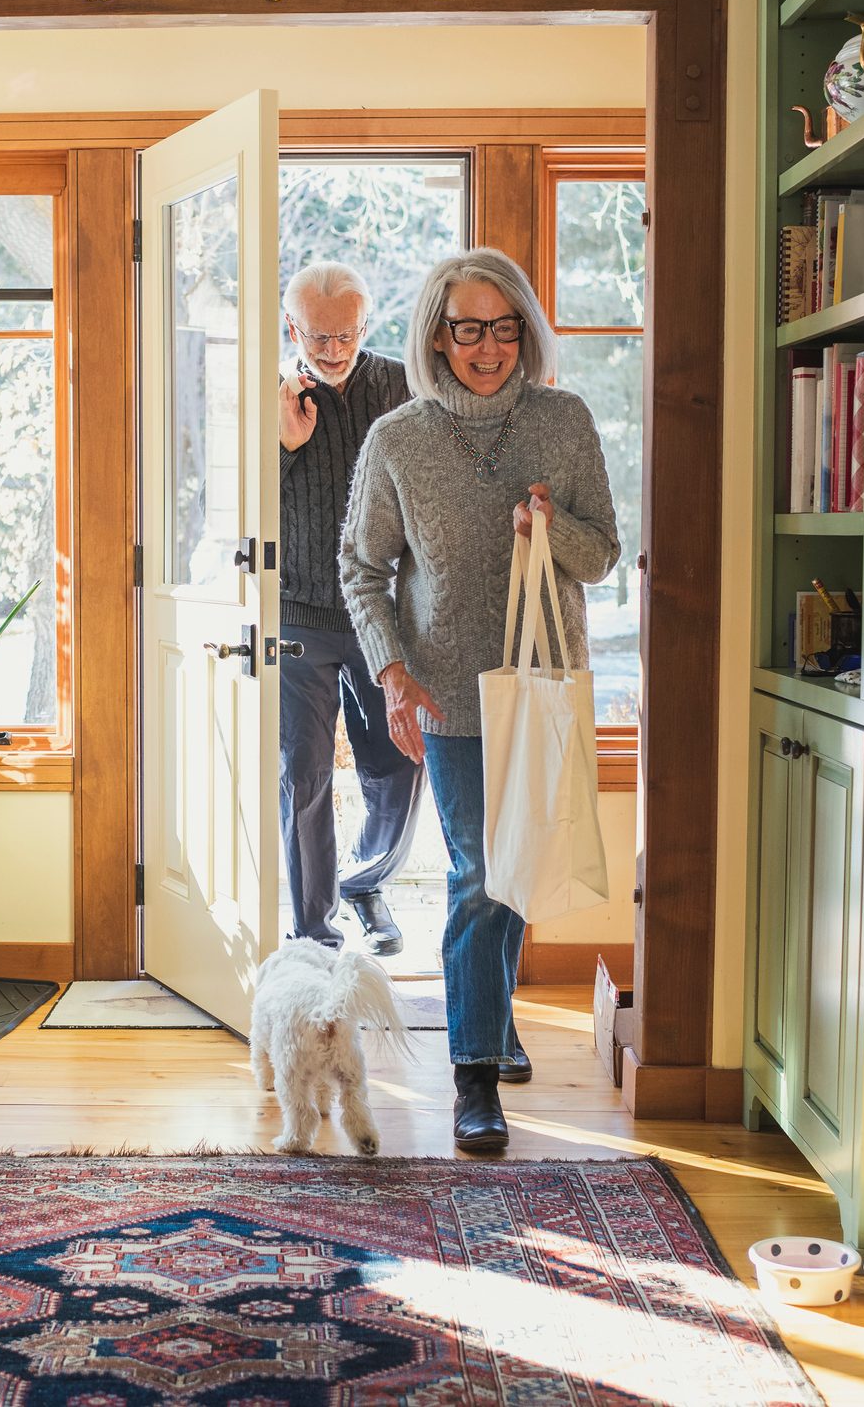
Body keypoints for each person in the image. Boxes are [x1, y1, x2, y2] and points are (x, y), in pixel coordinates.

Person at [340, 247, 619, 1151]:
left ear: (524, 333)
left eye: (505, 329)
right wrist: (390, 670)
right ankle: (474, 1078)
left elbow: (602, 554)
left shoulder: (564, 422)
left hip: (540, 682)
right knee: (476, 874)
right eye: (469, 328)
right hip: (449, 692)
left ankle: (492, 1028)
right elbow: (362, 568)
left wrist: (552, 524)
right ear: (436, 335)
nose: (488, 347)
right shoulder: (397, 440)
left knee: (519, 869)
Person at [275, 262, 422, 956]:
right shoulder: (268, 392)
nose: (330, 350)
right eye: (315, 336)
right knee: (302, 772)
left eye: (344, 336)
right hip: (296, 612)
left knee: (399, 763)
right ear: (291, 327)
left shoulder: (399, 385)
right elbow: (232, 508)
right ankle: (313, 931)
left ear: (365, 326)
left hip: (383, 613)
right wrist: (282, 445)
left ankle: (365, 880)